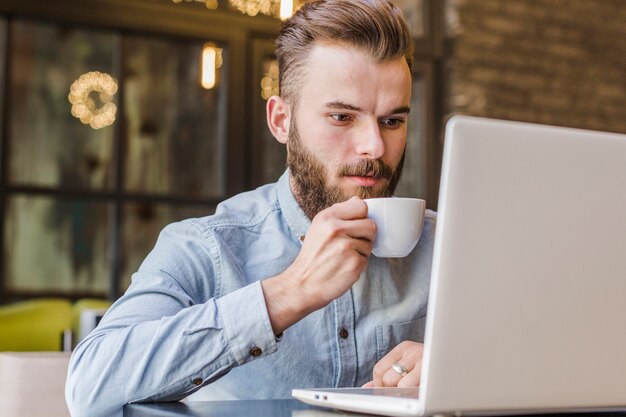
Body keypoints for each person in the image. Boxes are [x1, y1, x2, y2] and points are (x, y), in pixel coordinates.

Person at [65, 1, 436, 415]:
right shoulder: (206, 246)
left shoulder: (447, 247)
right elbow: (90, 384)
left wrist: (453, 362)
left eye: (392, 121)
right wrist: (286, 293)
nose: (375, 146)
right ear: (281, 120)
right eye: (342, 117)